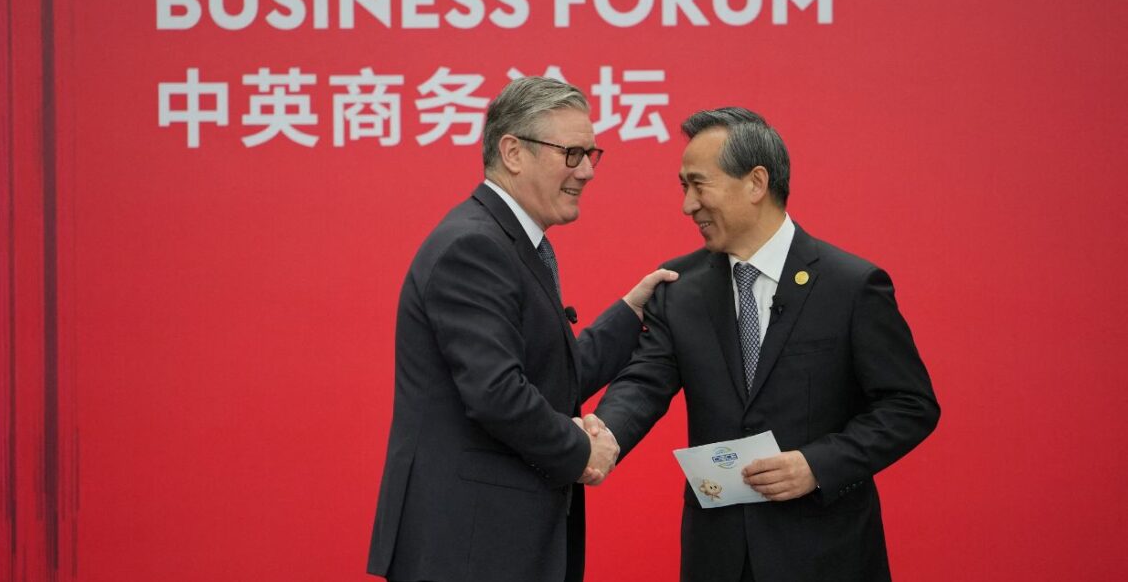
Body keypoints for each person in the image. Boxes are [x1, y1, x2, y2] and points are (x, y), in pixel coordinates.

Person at [588, 107, 940, 582]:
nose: (687, 205)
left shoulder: (850, 286)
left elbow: (909, 405)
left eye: (698, 184)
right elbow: (644, 380)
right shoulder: (679, 286)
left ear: (756, 183)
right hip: (719, 555)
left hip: (825, 553)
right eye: (683, 187)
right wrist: (605, 436)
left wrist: (817, 464)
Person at [367, 77, 678, 582]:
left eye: (592, 154)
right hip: (468, 547)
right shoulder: (474, 246)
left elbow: (549, 378)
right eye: (572, 153)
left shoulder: (509, 242)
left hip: (494, 542)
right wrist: (583, 452)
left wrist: (630, 314)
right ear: (512, 151)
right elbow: (496, 393)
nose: (586, 172)